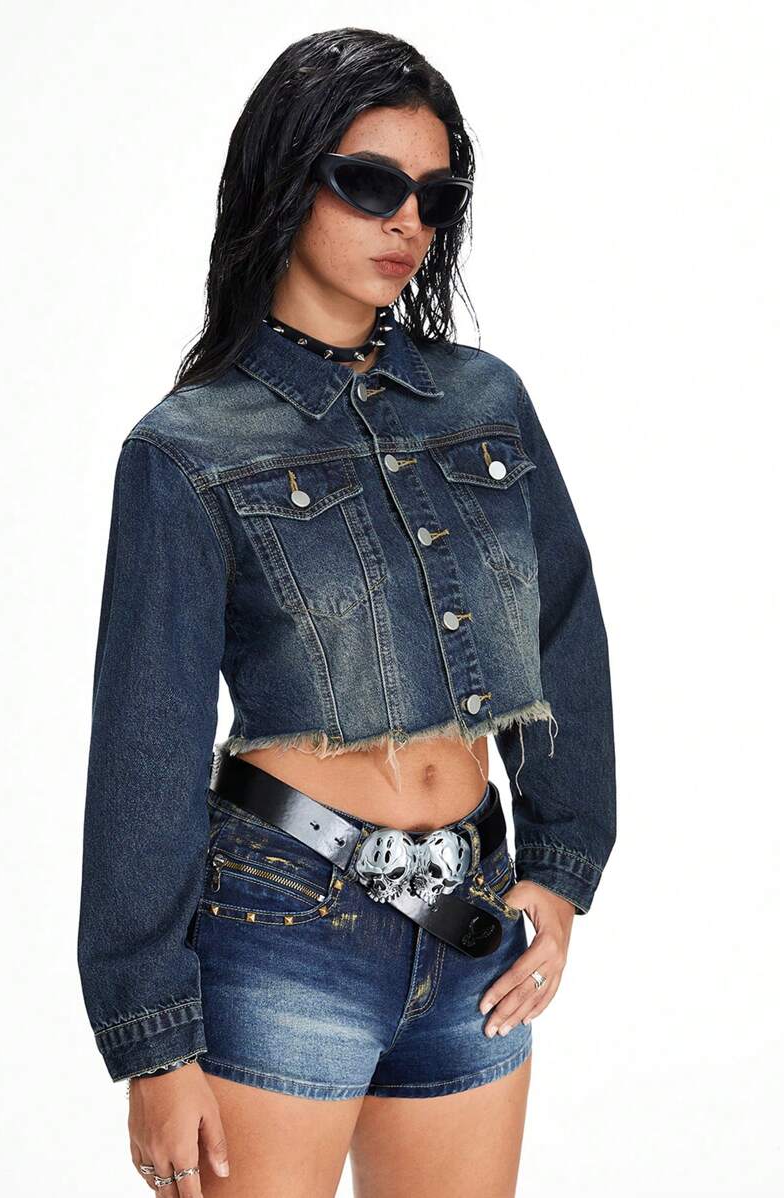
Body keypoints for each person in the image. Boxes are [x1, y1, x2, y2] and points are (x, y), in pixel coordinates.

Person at [77, 26, 616, 1198]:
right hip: (281, 927)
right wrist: (153, 1042)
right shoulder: (187, 448)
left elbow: (563, 628)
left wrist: (561, 866)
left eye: (435, 195)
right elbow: (145, 747)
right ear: (288, 180)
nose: (407, 220)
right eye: (371, 183)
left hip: (472, 920)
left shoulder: (484, 400)